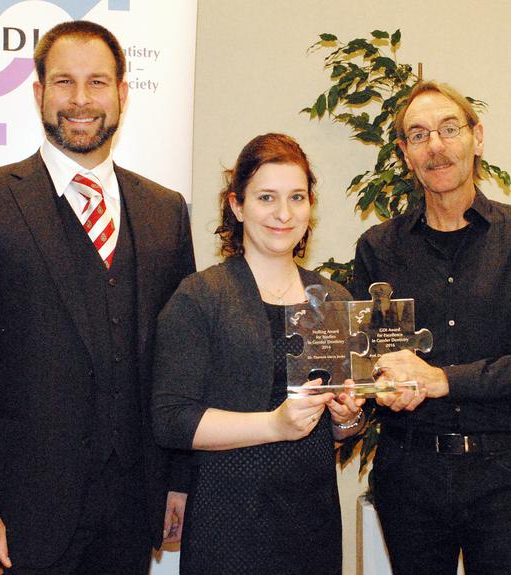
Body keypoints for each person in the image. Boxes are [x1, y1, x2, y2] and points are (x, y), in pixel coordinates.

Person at [0, 20, 195, 575]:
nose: (80, 100)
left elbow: (181, 369)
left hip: (129, 514)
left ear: (122, 94)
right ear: (38, 93)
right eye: (64, 83)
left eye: (97, 83)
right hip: (17, 520)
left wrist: (177, 482)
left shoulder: (166, 211)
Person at [350, 81, 511, 575]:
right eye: (419, 134)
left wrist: (443, 379)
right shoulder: (377, 248)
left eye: (450, 129)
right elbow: (367, 363)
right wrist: (381, 386)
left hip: (501, 474)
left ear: (477, 136)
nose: (436, 145)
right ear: (405, 153)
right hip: (408, 474)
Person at [152, 133, 364, 575]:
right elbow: (172, 419)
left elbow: (345, 429)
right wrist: (274, 425)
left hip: (312, 524)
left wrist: (346, 417)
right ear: (237, 205)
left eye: (297, 197)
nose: (284, 214)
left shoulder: (331, 297)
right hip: (228, 521)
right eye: (266, 197)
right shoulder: (201, 296)